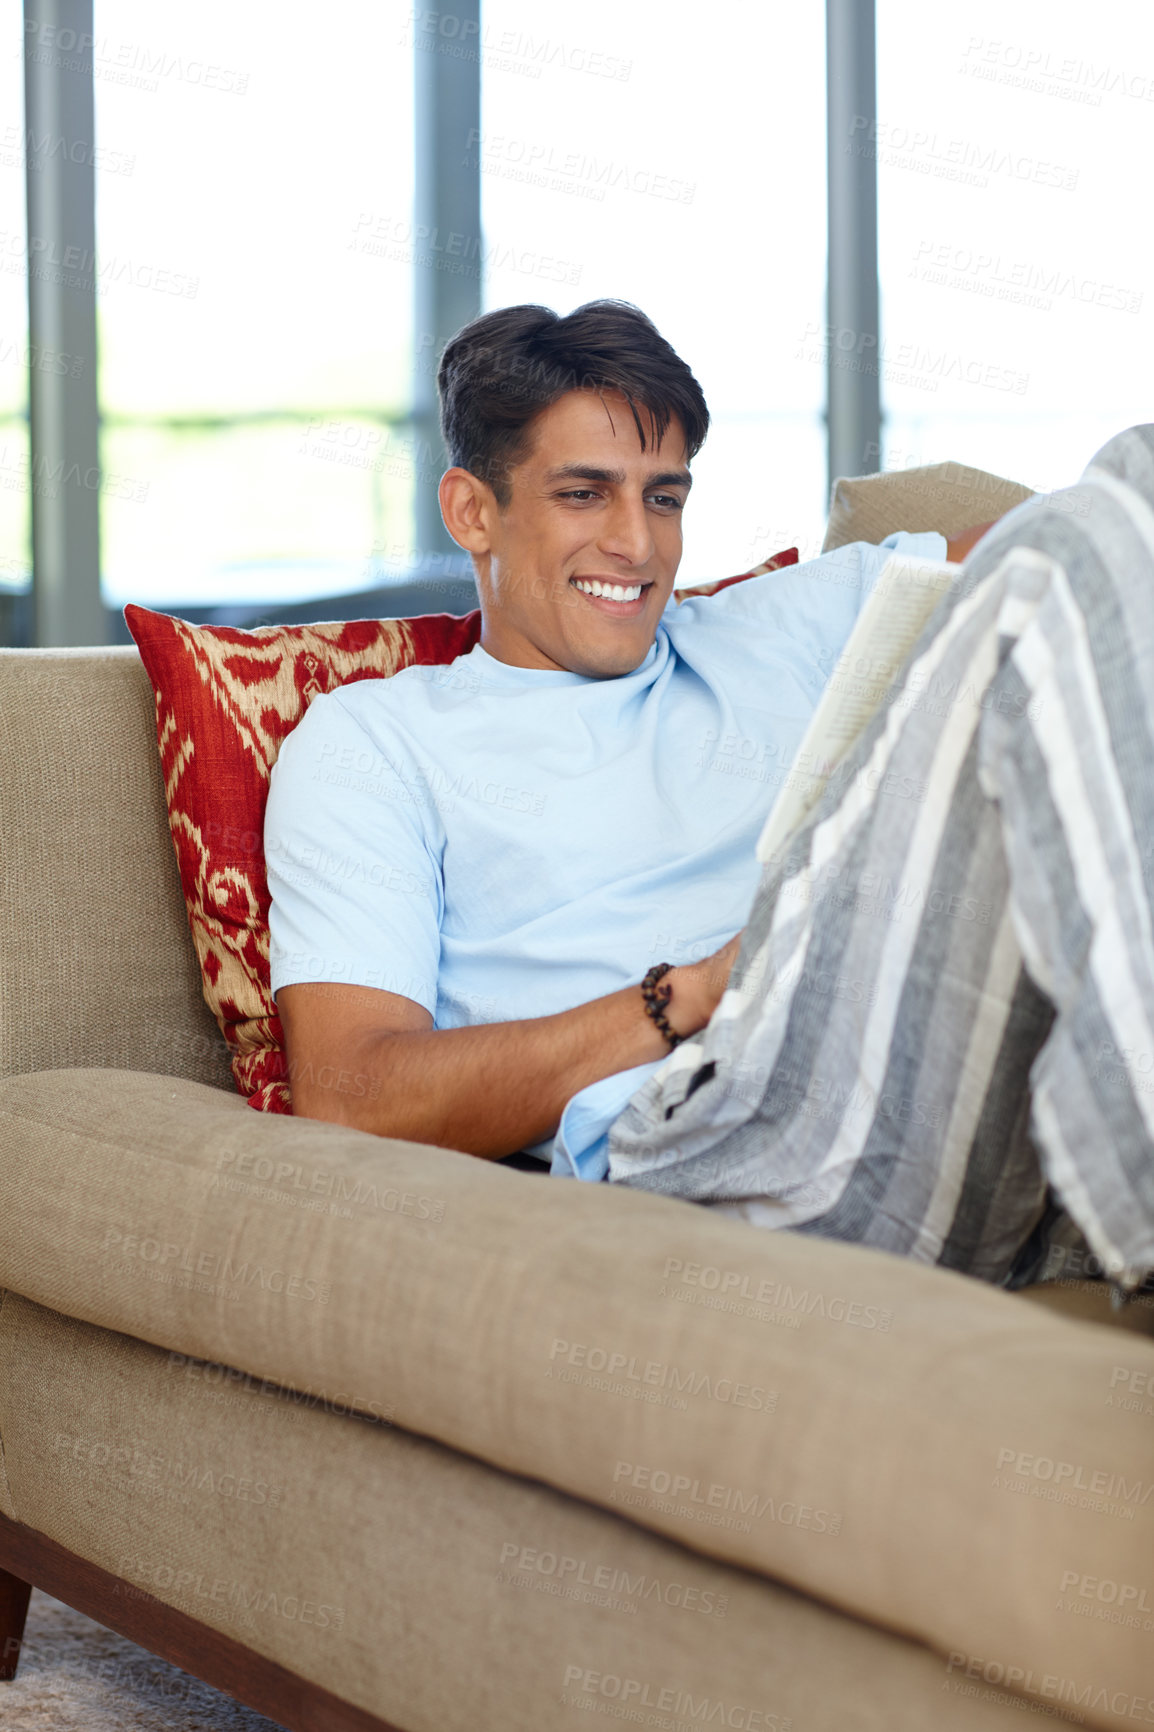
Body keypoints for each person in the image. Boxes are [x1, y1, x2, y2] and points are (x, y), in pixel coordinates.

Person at [264, 299, 991, 1192]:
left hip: (939, 1029)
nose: (637, 544)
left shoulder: (778, 629)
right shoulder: (374, 743)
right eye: (583, 493)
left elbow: (1059, 559)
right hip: (709, 1112)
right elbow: (354, 1098)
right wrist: (698, 992)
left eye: (663, 497)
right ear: (471, 512)